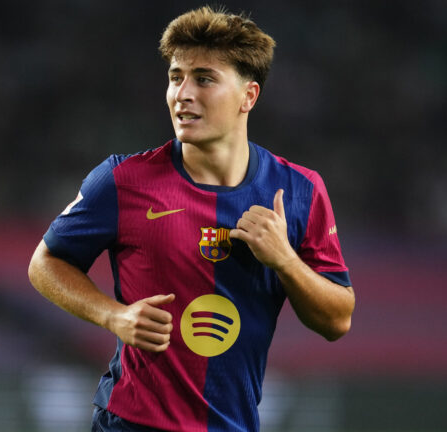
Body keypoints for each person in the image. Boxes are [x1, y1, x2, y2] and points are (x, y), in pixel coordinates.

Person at [28, 6, 354, 432]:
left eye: (204, 79)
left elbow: (337, 320)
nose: (182, 93)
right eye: (175, 76)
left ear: (248, 96)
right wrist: (112, 316)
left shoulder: (299, 192)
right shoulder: (123, 180)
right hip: (131, 424)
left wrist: (285, 261)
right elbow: (44, 263)